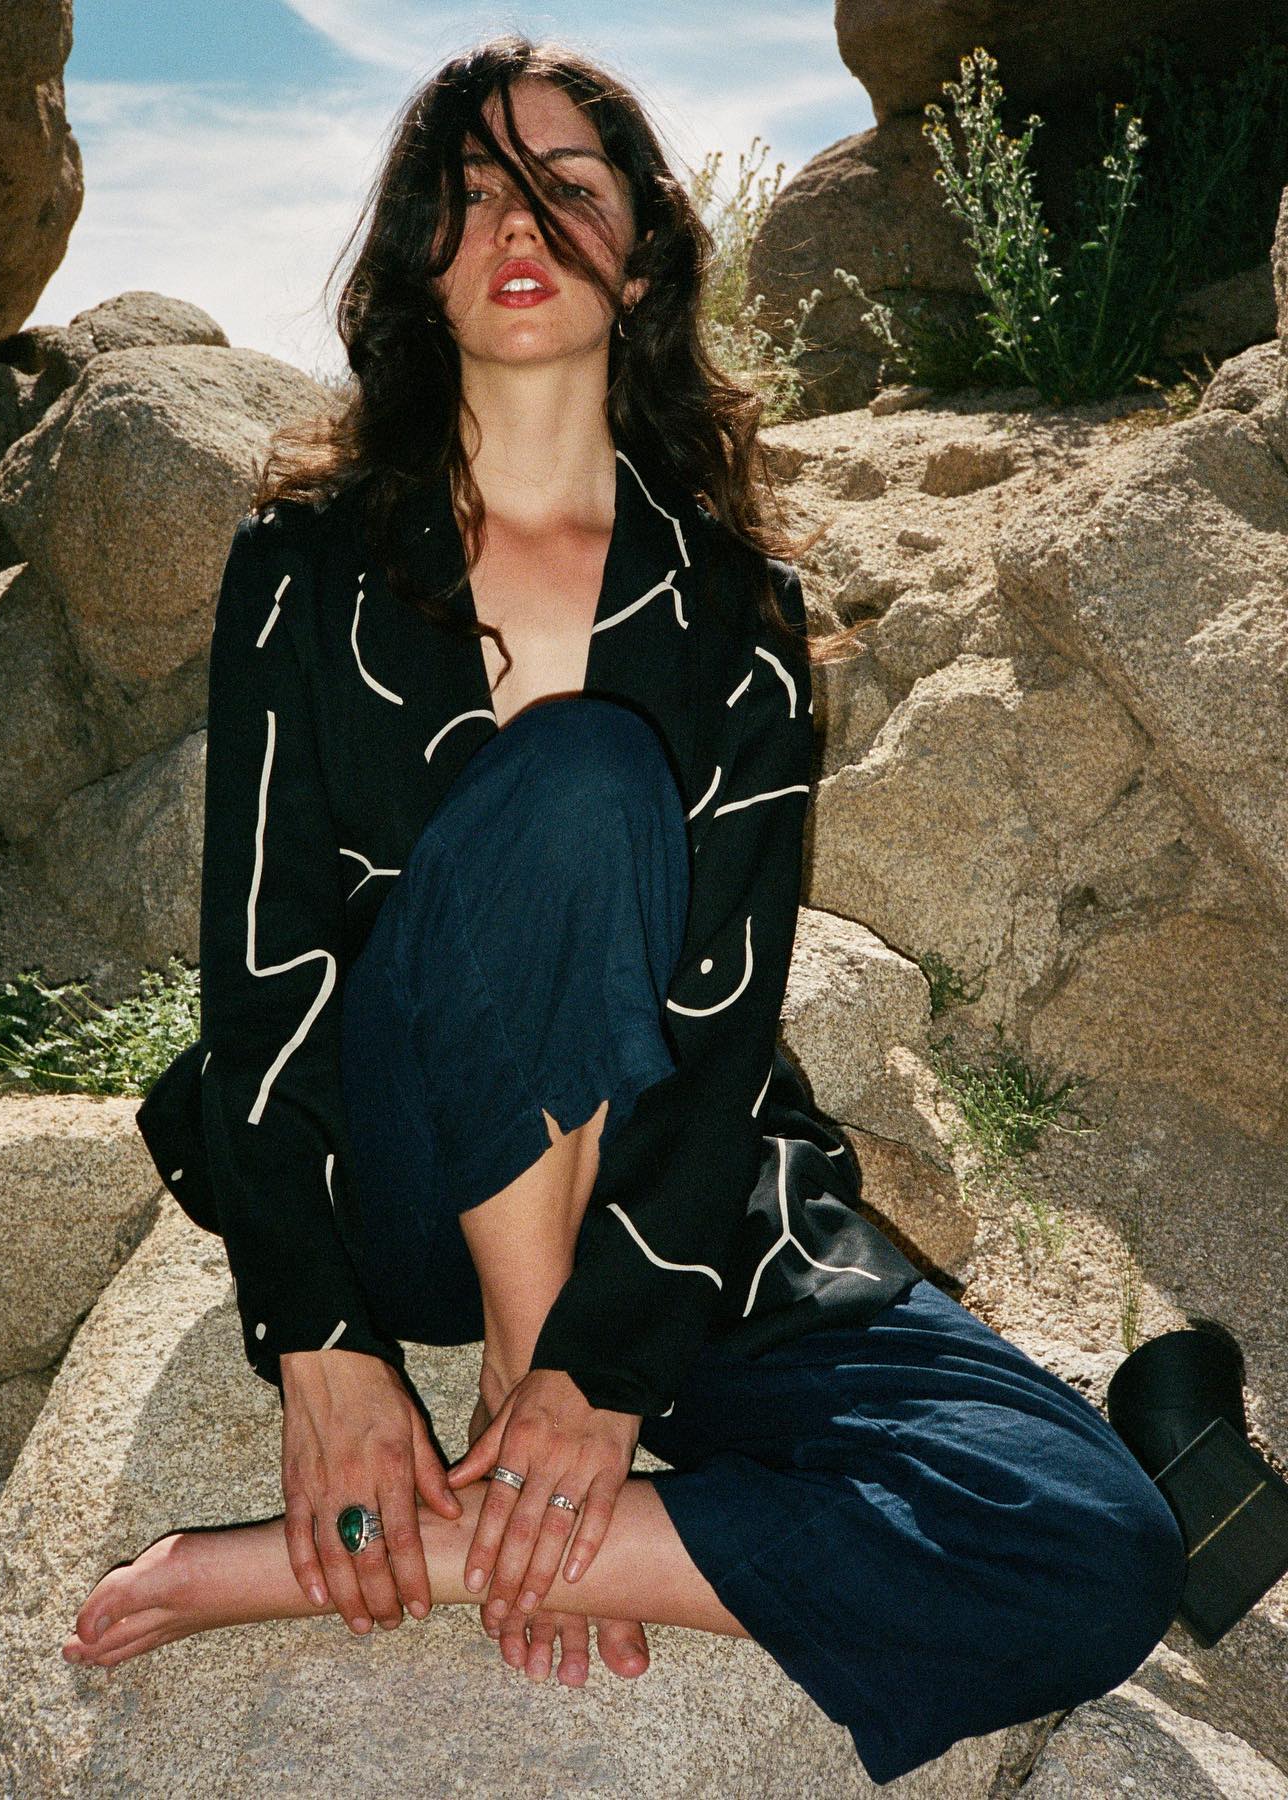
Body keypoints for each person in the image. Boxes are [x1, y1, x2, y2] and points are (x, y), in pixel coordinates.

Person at [62, 35, 1187, 1786]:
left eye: (566, 187)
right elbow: (263, 972)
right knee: (580, 782)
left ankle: (439, 1543)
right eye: (471, 195)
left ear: (644, 256)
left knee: (1097, 1542)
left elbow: (721, 1029)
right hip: (404, 1173)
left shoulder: (739, 609)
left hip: (674, 1203)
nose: (516, 223)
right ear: (420, 266)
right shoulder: (305, 565)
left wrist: (603, 1377)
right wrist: (325, 1344)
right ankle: (525, 1409)